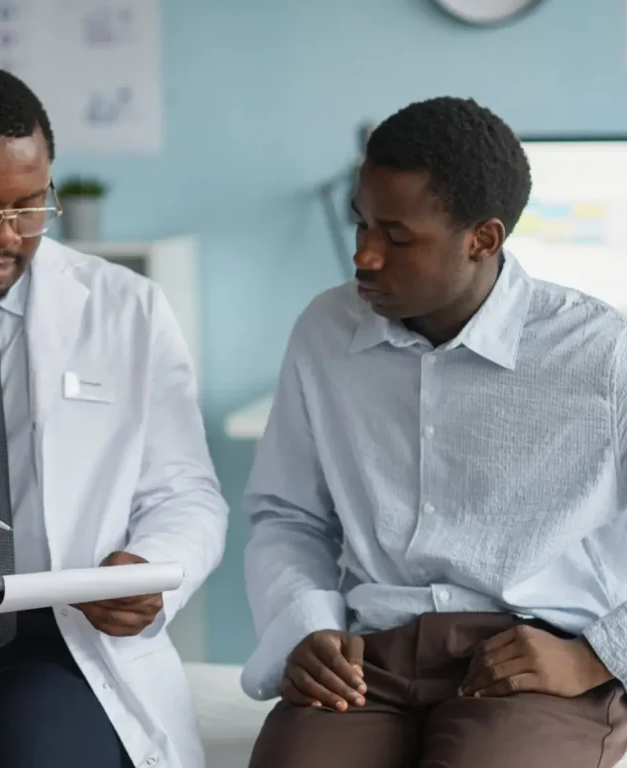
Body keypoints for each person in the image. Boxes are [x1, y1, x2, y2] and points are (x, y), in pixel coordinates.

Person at [241, 96, 627, 768]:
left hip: (532, 659)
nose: (363, 255)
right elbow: (287, 515)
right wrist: (307, 625)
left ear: (483, 238)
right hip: (372, 654)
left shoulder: (601, 352)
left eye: (395, 236)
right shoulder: (324, 333)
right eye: (359, 223)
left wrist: (595, 655)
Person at [0, 66, 228, 768]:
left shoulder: (126, 310)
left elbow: (187, 494)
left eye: (31, 207)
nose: (8, 237)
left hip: (58, 645)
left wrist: (149, 569)